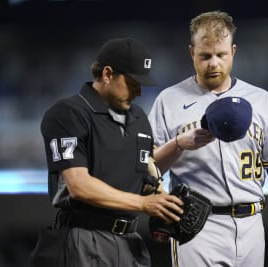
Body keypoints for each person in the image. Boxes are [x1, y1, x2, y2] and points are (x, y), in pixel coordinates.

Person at [148, 11, 268, 267]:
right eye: (205, 55)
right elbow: (148, 168)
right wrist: (178, 143)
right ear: (192, 53)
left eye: (221, 55)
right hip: (198, 226)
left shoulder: (261, 100)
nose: (214, 63)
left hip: (252, 224)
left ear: (233, 51)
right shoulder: (168, 101)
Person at [37, 37, 184, 267]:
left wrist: (166, 204)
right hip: (82, 238)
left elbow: (145, 180)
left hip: (129, 242)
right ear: (107, 74)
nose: (138, 92)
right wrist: (143, 204)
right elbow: (79, 186)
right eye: (132, 83)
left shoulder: (139, 120)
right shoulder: (69, 113)